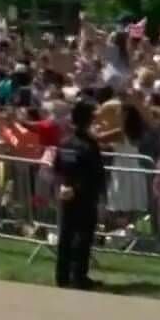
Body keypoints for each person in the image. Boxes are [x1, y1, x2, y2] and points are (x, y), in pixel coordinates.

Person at [53, 98, 107, 290]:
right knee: (83, 236)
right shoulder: (89, 145)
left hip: (67, 193)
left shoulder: (65, 143)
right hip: (85, 195)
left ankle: (62, 276)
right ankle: (79, 276)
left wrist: (65, 185)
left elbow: (57, 167)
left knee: (66, 235)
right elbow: (97, 172)